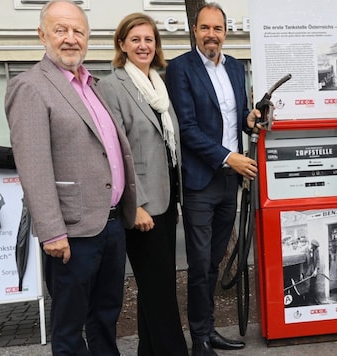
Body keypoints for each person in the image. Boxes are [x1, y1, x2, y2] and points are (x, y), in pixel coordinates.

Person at [4, 1, 137, 354]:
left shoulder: (92, 84)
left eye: (78, 31)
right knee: (70, 327)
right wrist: (52, 231)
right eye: (61, 29)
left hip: (110, 226)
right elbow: (33, 165)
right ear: (42, 34)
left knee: (106, 315)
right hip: (71, 233)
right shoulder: (30, 86)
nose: (70, 38)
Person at [164, 3, 261, 355]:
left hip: (229, 181)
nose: (211, 34)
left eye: (217, 28)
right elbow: (187, 129)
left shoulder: (236, 67)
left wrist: (249, 121)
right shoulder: (180, 69)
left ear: (225, 31)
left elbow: (234, 122)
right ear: (194, 30)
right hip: (201, 181)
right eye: (205, 28)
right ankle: (200, 338)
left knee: (215, 260)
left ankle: (209, 330)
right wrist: (229, 157)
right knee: (199, 263)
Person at [96, 13, 187, 356]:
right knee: (161, 289)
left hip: (167, 201)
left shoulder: (158, 86)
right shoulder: (112, 86)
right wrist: (137, 205)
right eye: (135, 39)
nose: (143, 46)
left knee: (155, 287)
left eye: (149, 39)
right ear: (122, 44)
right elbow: (117, 152)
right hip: (143, 206)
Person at [304, 238, 321, 305]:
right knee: (307, 286)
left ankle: (314, 300)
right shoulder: (304, 250)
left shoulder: (316, 250)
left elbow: (318, 260)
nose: (315, 249)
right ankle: (307, 302)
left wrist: (316, 270)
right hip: (307, 272)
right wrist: (302, 273)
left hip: (313, 271)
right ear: (311, 245)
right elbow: (302, 263)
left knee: (313, 286)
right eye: (314, 247)